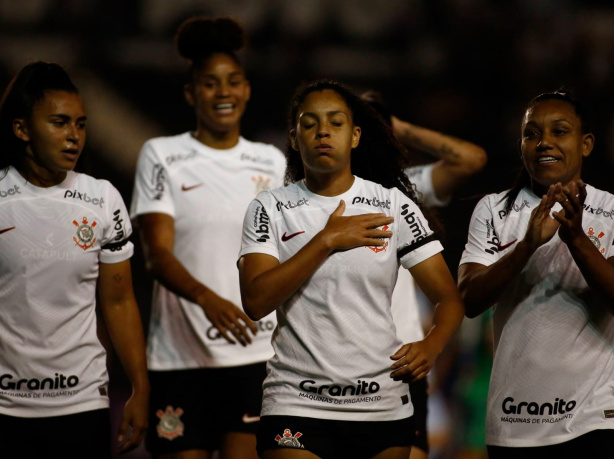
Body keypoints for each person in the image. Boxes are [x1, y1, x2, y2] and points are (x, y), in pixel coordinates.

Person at [238, 79, 465, 459]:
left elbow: (449, 300)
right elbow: (256, 301)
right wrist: (325, 240)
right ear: (294, 138)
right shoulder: (269, 208)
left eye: (336, 122)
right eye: (309, 123)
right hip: (296, 402)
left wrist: (431, 345)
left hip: (381, 404)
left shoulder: (392, 204)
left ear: (355, 136)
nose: (323, 131)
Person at [130, 16, 286, 459]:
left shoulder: (271, 161)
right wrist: (208, 299)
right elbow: (156, 255)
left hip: (255, 354)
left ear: (248, 89)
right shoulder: (162, 154)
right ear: (190, 93)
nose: (223, 93)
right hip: (180, 358)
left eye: (233, 81)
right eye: (210, 83)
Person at [0, 61, 149, 458]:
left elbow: (119, 301)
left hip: (82, 404)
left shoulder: (102, 198)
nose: (74, 137)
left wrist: (140, 386)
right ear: (21, 129)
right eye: (60, 122)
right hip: (6, 408)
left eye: (80, 124)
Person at [457, 90, 614, 458]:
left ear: (586, 144)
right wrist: (526, 245)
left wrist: (576, 238)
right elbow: (469, 299)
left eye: (560, 131)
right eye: (531, 134)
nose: (544, 142)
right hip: (514, 421)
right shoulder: (493, 210)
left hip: (594, 418)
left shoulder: (611, 210)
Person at [362, 90, 488, 459]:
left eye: (374, 132)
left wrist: (397, 126)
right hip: (333, 366)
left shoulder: (403, 189)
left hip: (401, 364)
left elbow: (470, 159)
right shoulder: (313, 195)